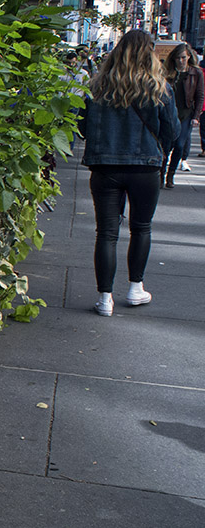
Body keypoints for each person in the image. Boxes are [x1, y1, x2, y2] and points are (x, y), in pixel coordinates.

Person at [78, 30, 179, 317]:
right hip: (145, 167)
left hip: (105, 167)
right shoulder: (159, 88)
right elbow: (172, 131)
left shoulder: (98, 86)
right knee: (141, 227)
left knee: (107, 233)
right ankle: (136, 288)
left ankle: (104, 298)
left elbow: (83, 128)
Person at [162, 43, 204, 186]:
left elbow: (200, 95)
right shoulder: (168, 73)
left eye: (183, 58)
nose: (181, 61)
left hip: (186, 113)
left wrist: (196, 116)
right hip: (169, 114)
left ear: (188, 57)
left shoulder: (196, 73)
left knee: (180, 145)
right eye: (178, 58)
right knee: (166, 146)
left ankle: (171, 175)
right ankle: (161, 173)